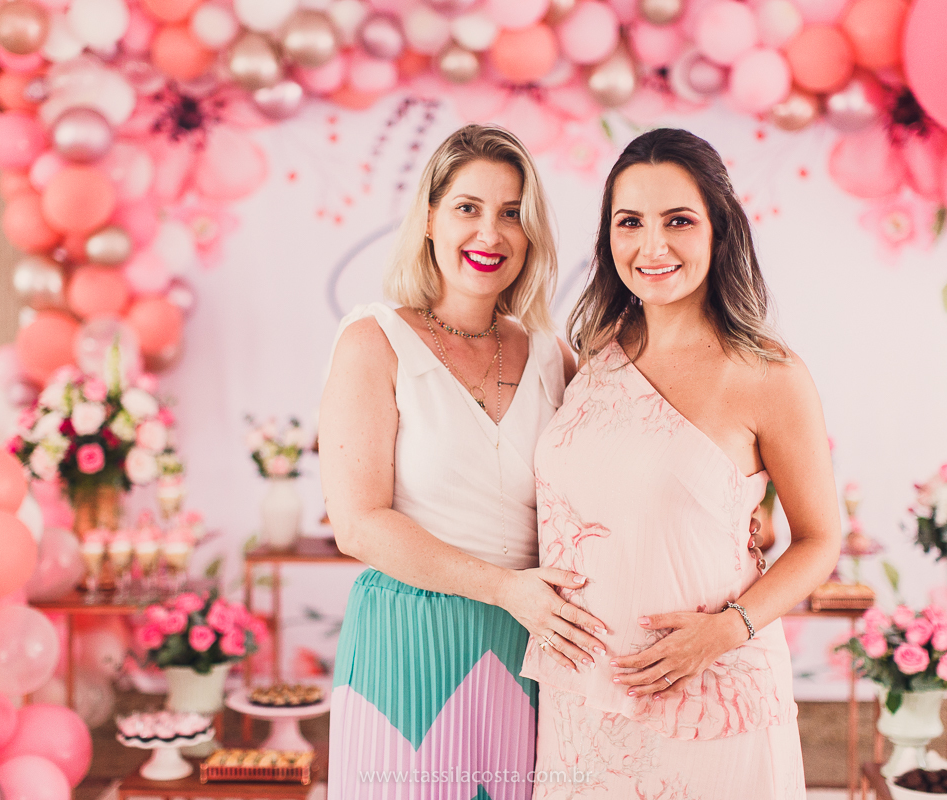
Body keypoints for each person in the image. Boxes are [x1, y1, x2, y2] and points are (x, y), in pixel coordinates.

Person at [521, 128, 841, 799]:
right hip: (582, 699)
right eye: (630, 222)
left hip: (711, 699)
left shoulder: (768, 374)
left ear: (720, 231)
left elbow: (819, 541)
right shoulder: (595, 353)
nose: (652, 246)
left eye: (678, 221)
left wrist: (725, 631)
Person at [319, 124, 607, 799]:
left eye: (511, 213)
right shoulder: (374, 340)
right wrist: (507, 589)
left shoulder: (554, 357)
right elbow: (358, 525)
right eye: (467, 208)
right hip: (408, 635)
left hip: (525, 641)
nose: (490, 233)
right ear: (429, 219)